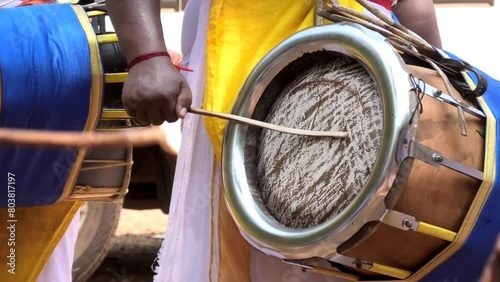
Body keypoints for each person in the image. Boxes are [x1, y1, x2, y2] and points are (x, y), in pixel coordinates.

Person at [104, 0, 455, 282]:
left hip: (377, 81)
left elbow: (415, 6)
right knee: (253, 245)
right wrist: (146, 56)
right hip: (246, 70)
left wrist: (444, 94)